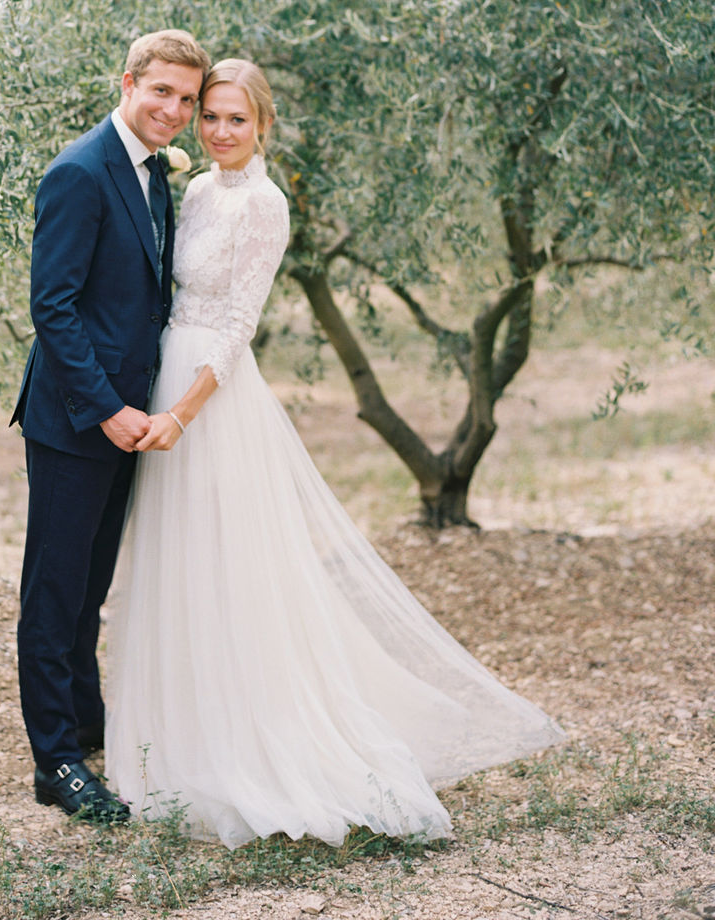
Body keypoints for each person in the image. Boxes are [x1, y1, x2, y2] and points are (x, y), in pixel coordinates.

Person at [104, 58, 565, 847]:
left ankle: (255, 742)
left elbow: (240, 325)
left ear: (263, 126)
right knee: (177, 561)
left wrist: (181, 414)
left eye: (235, 120)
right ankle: (175, 738)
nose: (217, 130)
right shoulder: (199, 190)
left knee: (230, 567)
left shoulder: (265, 206)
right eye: (208, 115)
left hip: (208, 399)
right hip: (164, 378)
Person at [10, 28, 211, 823]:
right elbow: (52, 309)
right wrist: (110, 410)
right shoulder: (79, 172)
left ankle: (86, 728)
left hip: (130, 418)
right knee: (54, 596)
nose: (174, 109)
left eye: (187, 99)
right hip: (75, 422)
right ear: (128, 83)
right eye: (161, 91)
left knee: (90, 588)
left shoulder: (155, 172)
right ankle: (54, 762)